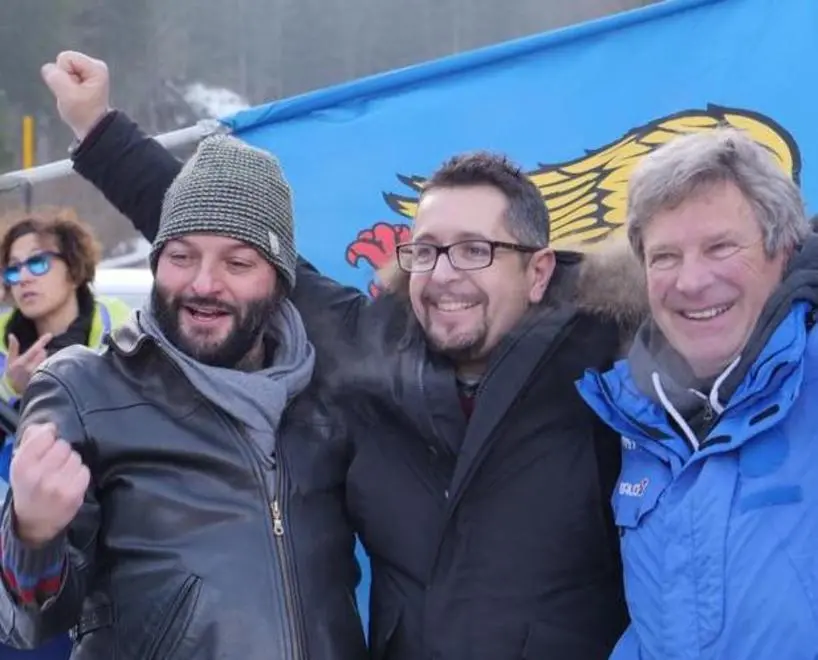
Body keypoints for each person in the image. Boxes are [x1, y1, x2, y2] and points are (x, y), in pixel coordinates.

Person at [41, 51, 643, 659]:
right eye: (428, 250)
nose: (445, 274)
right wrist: (98, 129)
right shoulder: (373, 350)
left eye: (475, 251)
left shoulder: (605, 366)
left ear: (537, 271)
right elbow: (225, 231)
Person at [0, 135, 367, 659]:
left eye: (237, 264)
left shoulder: (325, 398)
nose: (203, 283)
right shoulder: (84, 390)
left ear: (280, 281)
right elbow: (28, 624)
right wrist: (31, 535)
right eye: (181, 255)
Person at [576, 128, 818, 658]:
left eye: (720, 247)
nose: (690, 281)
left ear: (784, 249)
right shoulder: (635, 415)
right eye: (665, 256)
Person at [0, 208, 131, 408]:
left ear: (73, 269)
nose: (24, 278)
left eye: (37, 262)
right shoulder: (3, 340)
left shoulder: (121, 329)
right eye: (13, 269)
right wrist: (15, 391)